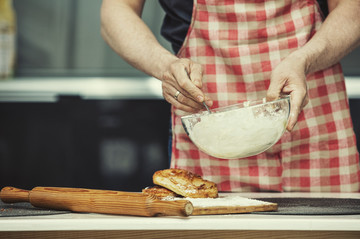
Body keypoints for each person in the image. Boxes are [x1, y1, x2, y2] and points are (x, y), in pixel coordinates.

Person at [101, 0, 360, 192]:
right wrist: (165, 66)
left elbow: (353, 12)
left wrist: (304, 60)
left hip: (313, 116)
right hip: (207, 130)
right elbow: (116, 11)